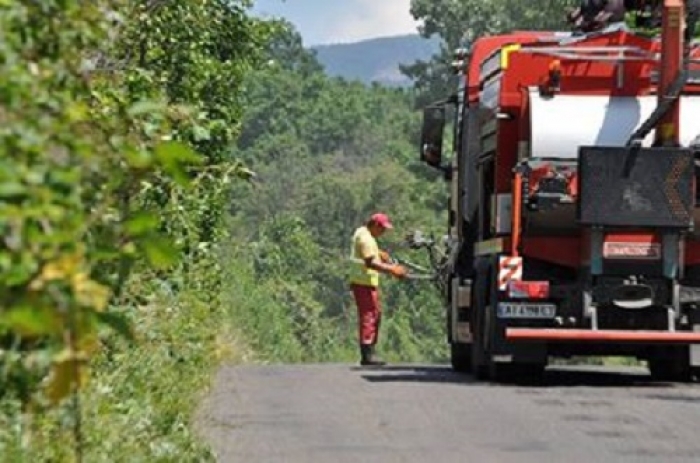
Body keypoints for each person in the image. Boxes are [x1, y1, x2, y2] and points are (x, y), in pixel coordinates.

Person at [348, 212, 408, 366]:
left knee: (375, 314)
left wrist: (379, 253)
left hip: (363, 282)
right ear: (374, 225)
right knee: (369, 316)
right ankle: (367, 354)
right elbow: (370, 263)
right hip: (364, 282)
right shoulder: (366, 239)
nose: (383, 233)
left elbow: (366, 253)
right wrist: (392, 269)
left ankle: (370, 350)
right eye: (381, 229)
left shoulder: (362, 232)